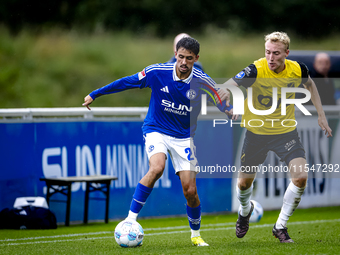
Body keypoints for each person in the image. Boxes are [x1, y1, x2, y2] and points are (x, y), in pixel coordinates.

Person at [83, 37, 232, 246]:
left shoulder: (201, 79)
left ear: (196, 59)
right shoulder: (157, 72)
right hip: (156, 130)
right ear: (175, 54)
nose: (183, 62)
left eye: (189, 59)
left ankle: (196, 235)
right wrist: (95, 94)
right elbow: (126, 81)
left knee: (190, 191)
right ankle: (130, 220)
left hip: (183, 137)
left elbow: (220, 98)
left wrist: (230, 111)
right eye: (180, 57)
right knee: (157, 168)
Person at [222, 31, 332, 243]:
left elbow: (310, 85)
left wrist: (321, 115)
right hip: (256, 133)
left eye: (276, 53)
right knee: (244, 184)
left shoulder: (298, 69)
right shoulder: (256, 69)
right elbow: (229, 85)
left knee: (300, 177)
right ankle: (244, 212)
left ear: (286, 53)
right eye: (267, 52)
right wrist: (228, 97)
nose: (271, 58)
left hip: (285, 132)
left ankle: (280, 226)